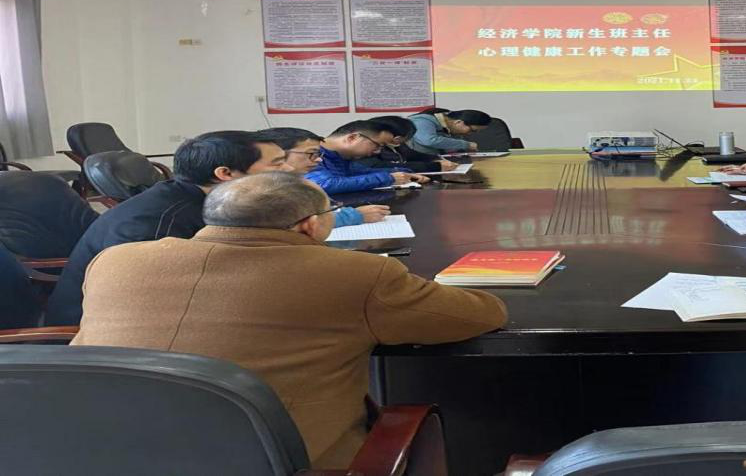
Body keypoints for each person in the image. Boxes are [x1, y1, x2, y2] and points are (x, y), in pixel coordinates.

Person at [73, 172, 507, 469]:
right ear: (310, 226)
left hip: (92, 448)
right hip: (274, 458)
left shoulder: (117, 260)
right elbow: (478, 315)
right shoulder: (355, 274)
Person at [46, 131, 288, 326]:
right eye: (277, 164)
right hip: (95, 338)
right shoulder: (158, 225)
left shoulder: (196, 199)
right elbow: (146, 306)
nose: (288, 171)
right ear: (225, 173)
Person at [255, 127, 393, 224]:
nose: (319, 159)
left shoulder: (290, 182)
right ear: (277, 153)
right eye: (312, 154)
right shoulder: (258, 189)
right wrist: (354, 216)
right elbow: (289, 225)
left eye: (318, 154)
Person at [305, 120, 430, 195]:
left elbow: (357, 172)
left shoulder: (340, 156)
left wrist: (401, 173)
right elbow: (324, 184)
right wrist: (389, 178)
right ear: (352, 138)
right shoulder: (310, 153)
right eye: (377, 145)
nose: (377, 151)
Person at [354, 116, 458, 173]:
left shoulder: (396, 145)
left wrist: (435, 159)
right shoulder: (367, 149)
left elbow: (411, 154)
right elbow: (384, 167)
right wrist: (434, 166)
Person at [407, 108, 492, 155]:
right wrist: (466, 145)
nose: (469, 134)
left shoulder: (447, 128)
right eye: (472, 130)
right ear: (458, 122)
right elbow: (429, 140)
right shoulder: (422, 121)